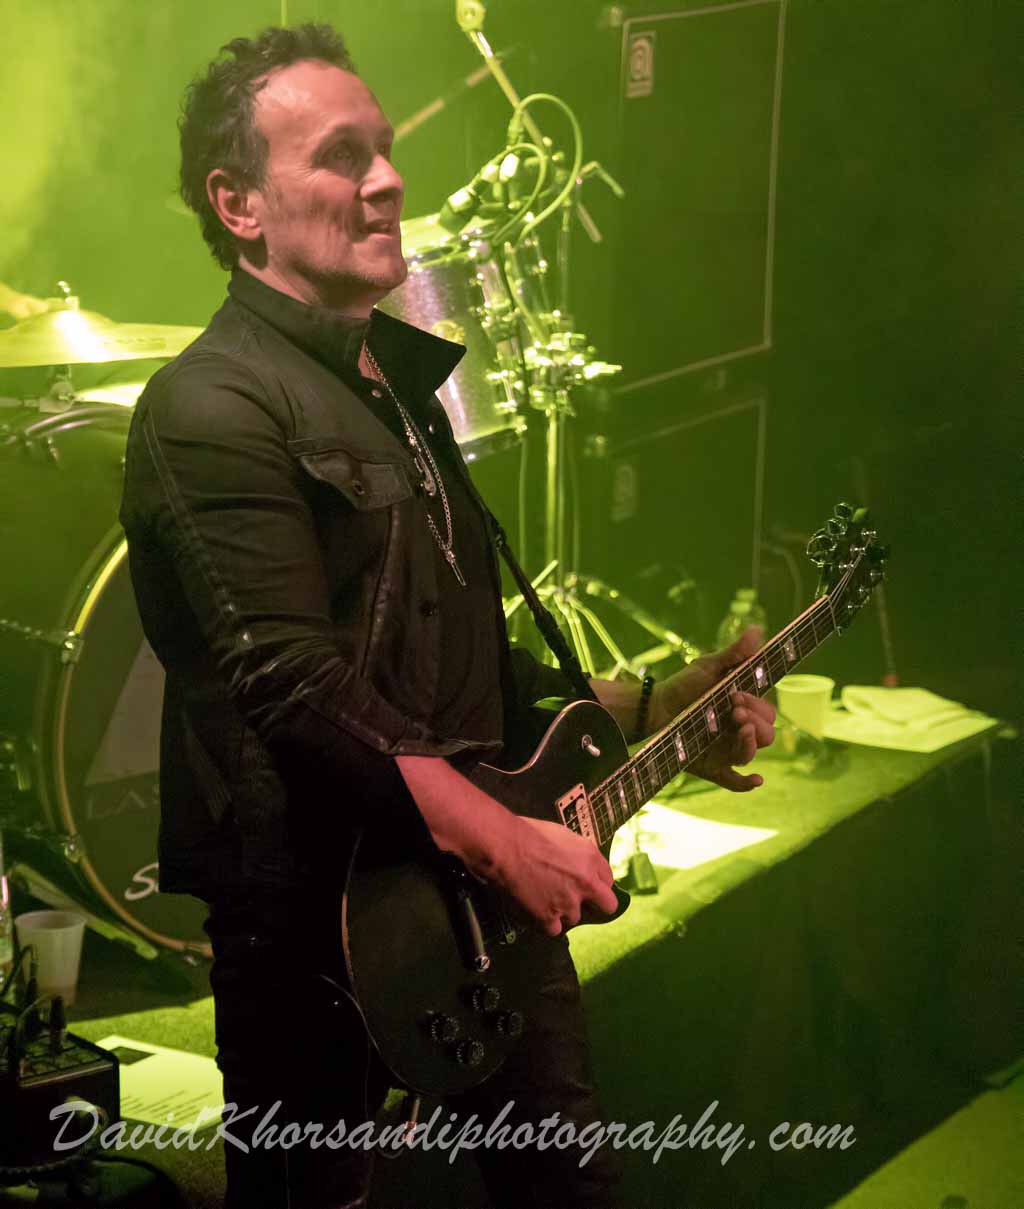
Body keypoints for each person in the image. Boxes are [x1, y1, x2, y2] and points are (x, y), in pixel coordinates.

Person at [119, 24, 776, 1209]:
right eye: (341, 156)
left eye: (384, 148)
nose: (386, 179)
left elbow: (457, 656)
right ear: (238, 203)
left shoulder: (400, 379)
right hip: (319, 928)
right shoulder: (208, 405)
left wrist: (656, 706)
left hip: (473, 909)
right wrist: (504, 840)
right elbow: (292, 684)